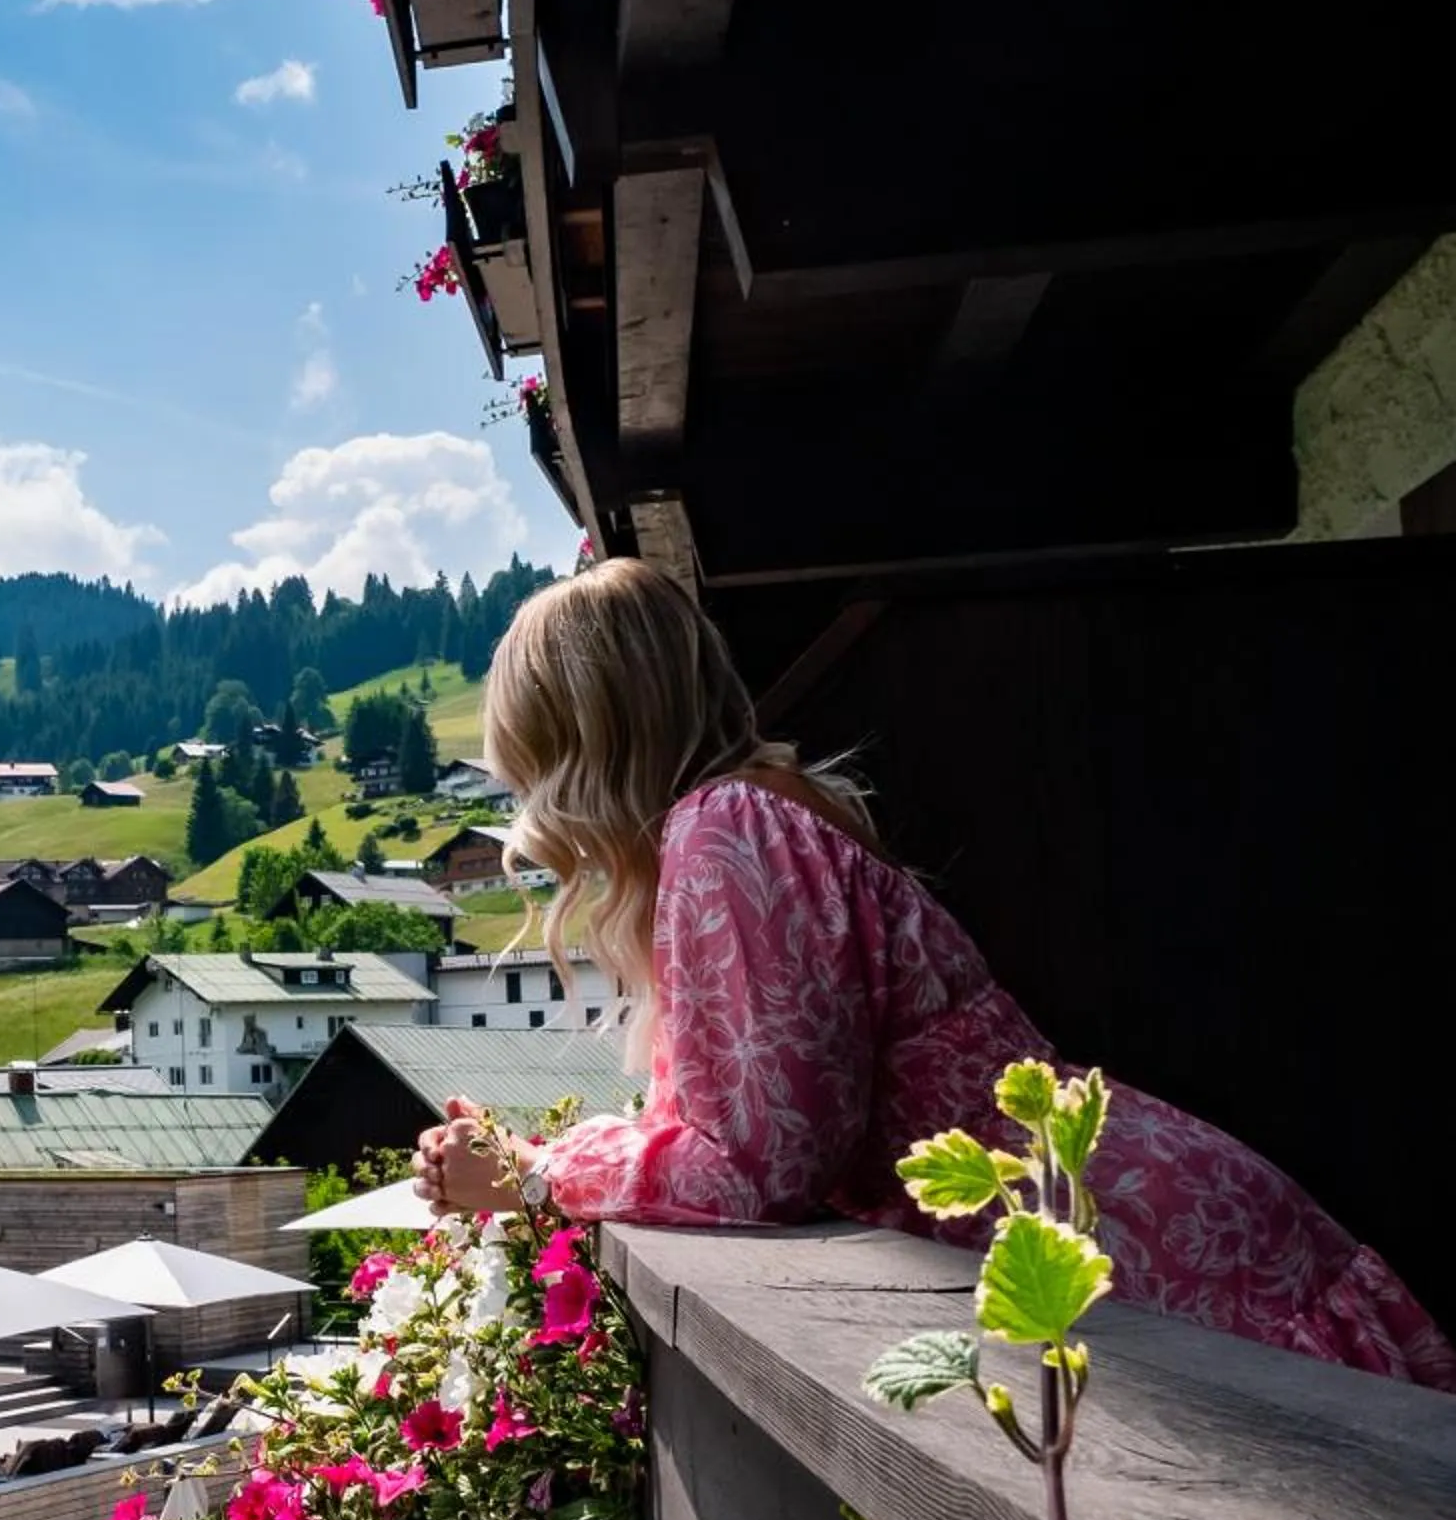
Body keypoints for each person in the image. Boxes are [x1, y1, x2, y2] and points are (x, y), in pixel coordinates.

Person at [414, 556, 1453, 1388]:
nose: (540, 829)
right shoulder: (750, 821)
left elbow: (760, 1168)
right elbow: (754, 1137)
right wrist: (529, 1159)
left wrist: (535, 1178)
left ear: (588, 751)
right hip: (1147, 1229)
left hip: (1158, 1257)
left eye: (536, 775)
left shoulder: (726, 832)